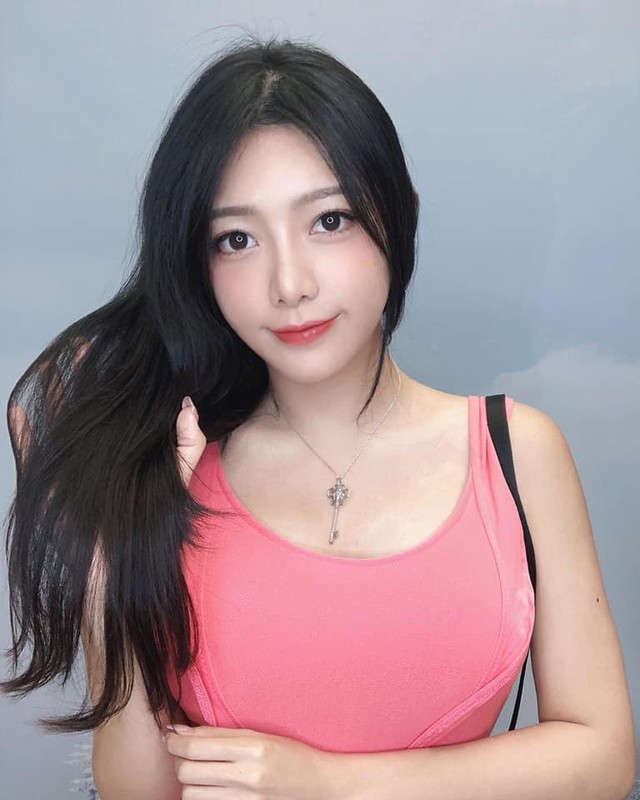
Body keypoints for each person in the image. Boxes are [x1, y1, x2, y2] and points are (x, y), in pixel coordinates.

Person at [2, 33, 636, 800]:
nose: (290, 283)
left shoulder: (515, 451)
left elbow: (603, 759)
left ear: (399, 217)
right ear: (197, 264)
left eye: (329, 221)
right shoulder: (172, 469)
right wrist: (107, 575)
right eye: (237, 239)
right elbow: (141, 791)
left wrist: (329, 782)